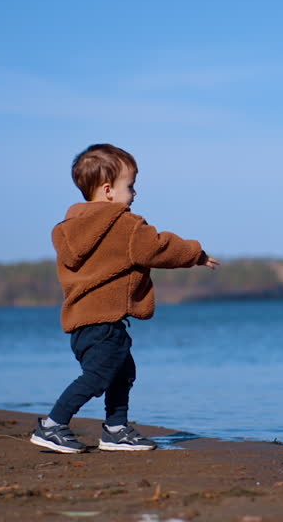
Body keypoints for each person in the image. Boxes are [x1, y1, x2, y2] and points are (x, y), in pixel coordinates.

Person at [30, 143, 219, 453]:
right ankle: (53, 425)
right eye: (130, 186)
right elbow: (158, 247)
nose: (134, 194)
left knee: (122, 371)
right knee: (98, 376)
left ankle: (116, 429)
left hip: (81, 323)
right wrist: (195, 254)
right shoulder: (124, 225)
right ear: (108, 191)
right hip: (104, 322)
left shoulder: (70, 229)